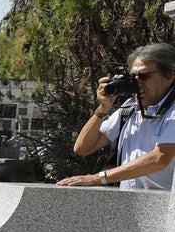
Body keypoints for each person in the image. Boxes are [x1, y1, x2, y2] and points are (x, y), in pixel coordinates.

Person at [58, 43, 175, 189]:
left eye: (144, 76)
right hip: (128, 200)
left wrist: (98, 178)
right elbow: (83, 148)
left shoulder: (172, 111)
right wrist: (102, 109)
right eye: (132, 77)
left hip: (165, 202)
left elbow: (160, 157)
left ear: (169, 76)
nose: (136, 83)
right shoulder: (129, 109)